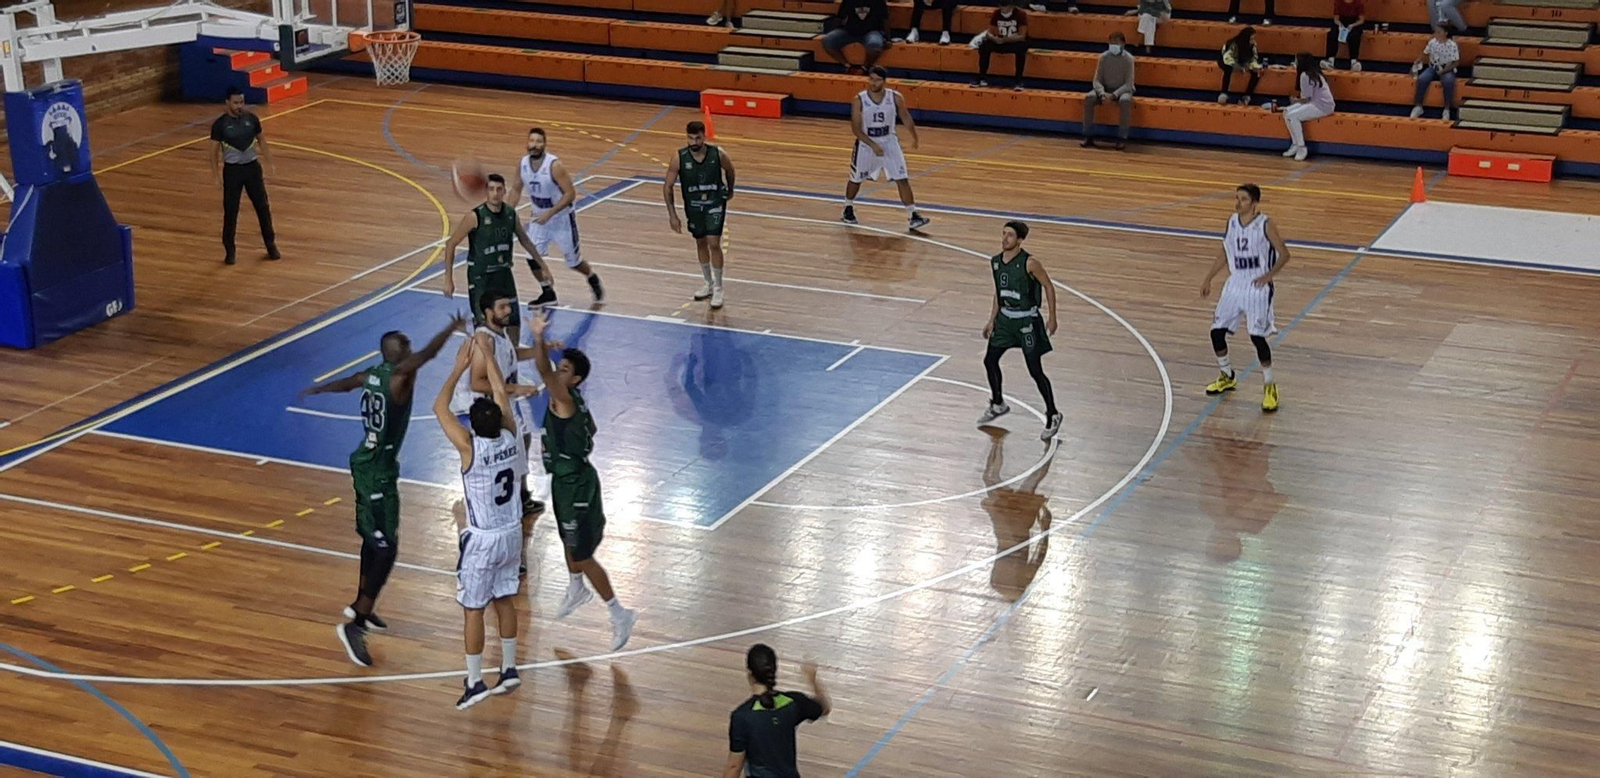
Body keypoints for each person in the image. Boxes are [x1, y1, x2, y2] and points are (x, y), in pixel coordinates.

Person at [301, 315, 466, 667]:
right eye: (406, 347)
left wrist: (319, 389)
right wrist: (450, 328)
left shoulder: (373, 374)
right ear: (399, 355)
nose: (411, 351)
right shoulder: (399, 377)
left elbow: (349, 383)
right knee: (386, 547)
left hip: (373, 465)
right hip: (375, 472)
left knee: (373, 538)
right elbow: (428, 355)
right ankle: (356, 624)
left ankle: (363, 600)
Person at [527, 311, 637, 651]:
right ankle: (576, 587)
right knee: (567, 539)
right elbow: (594, 430)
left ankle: (619, 613)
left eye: (565, 371)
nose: (558, 373)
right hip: (563, 481)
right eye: (560, 368)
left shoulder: (563, 401)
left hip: (576, 485)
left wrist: (538, 338)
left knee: (583, 554)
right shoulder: (571, 403)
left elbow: (544, 370)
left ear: (574, 381)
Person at [433, 337, 526, 710]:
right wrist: (487, 355)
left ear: (471, 424)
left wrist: (459, 365)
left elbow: (439, 407)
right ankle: (509, 668)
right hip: (513, 532)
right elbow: (501, 391)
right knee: (504, 598)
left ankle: (474, 681)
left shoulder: (470, 448)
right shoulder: (511, 435)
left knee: (473, 608)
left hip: (484, 538)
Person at [450, 292, 547, 568]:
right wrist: (517, 389)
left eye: (509, 305)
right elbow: (479, 382)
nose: (508, 310)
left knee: (523, 437)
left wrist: (543, 346)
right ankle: (477, 529)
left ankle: (523, 495)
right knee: (494, 466)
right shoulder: (485, 341)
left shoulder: (498, 336)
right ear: (487, 311)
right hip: (475, 410)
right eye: (502, 306)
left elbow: (511, 354)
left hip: (495, 403)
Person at [1199, 184, 1290, 413]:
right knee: (1216, 332)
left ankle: (1270, 386)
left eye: (1243, 199)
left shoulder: (1265, 225)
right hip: (1235, 283)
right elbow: (1225, 252)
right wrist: (1209, 277)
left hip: (1257, 286)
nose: (1238, 203)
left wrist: (1268, 275)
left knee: (1257, 337)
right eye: (1236, 198)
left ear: (1254, 203)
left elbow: (1284, 254)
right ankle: (1227, 374)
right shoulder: (1231, 222)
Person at [978, 220, 1062, 441]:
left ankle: (1053, 414)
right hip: (1006, 320)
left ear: (1020, 240)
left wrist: (1052, 317)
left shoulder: (1030, 263)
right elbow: (999, 292)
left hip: (1027, 321)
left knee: (1035, 370)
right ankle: (997, 403)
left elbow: (1049, 286)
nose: (1005, 238)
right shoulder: (996, 262)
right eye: (1003, 233)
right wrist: (991, 319)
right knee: (990, 360)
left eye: (1010, 235)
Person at [441, 173, 556, 333]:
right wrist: (448, 279)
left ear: (504, 191)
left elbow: (525, 241)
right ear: (486, 192)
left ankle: (512, 355)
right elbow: (451, 244)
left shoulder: (510, 213)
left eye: (498, 189)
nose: (495, 193)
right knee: (485, 328)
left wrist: (543, 266)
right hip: (481, 278)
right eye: (491, 189)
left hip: (503, 274)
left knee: (514, 323)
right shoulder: (475, 216)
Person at [509, 127, 605, 303]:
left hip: (561, 219)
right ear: (527, 143)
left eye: (538, 141)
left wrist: (550, 213)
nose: (534, 145)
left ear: (544, 144)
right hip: (538, 219)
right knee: (531, 258)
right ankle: (548, 292)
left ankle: (592, 277)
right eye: (532, 141)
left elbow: (570, 194)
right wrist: (507, 212)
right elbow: (516, 189)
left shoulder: (554, 166)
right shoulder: (522, 164)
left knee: (574, 262)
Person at [723, 645, 831, 778]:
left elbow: (734, 767)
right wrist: (813, 680)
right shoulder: (793, 703)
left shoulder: (742, 716)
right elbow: (824, 708)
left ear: (750, 674)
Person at [841, 66, 928, 231]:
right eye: (871, 79)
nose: (873, 83)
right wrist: (873, 145)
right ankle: (848, 206)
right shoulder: (859, 99)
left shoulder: (895, 97)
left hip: (889, 140)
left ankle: (913, 214)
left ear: (884, 81)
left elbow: (906, 117)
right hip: (867, 143)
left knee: (902, 178)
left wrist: (915, 137)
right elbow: (856, 128)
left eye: (877, 80)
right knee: (856, 178)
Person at [663, 120, 737, 309]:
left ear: (704, 136)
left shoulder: (718, 154)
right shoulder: (679, 157)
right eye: (690, 138)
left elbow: (730, 170)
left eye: (698, 137)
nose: (694, 141)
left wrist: (730, 189)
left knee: (714, 243)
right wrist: (672, 214)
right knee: (700, 242)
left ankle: (719, 287)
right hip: (694, 205)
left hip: (714, 202)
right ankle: (708, 283)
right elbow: (668, 186)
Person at [210, 87, 279, 265]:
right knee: (231, 211)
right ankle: (230, 250)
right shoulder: (220, 125)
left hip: (252, 169)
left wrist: (269, 161)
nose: (239, 106)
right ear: (227, 103)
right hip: (233, 171)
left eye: (241, 102)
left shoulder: (252, 119)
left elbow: (262, 140)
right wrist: (216, 175)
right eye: (235, 103)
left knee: (262, 207)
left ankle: (270, 244)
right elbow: (214, 152)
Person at [1083, 33, 1136, 150]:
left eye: (1116, 43)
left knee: (1125, 100)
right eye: (1111, 43)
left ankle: (1122, 137)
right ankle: (1088, 135)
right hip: (1105, 89)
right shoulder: (1103, 57)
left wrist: (1113, 95)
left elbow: (1128, 84)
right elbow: (1096, 80)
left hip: (1122, 90)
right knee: (1089, 98)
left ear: (1123, 43)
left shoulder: (1129, 59)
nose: (1113, 46)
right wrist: (1102, 93)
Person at [1282, 53, 1335, 161]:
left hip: (1322, 106)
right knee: (1286, 112)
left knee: (1293, 116)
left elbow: (1306, 98)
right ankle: (1295, 143)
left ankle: (1302, 147)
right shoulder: (1314, 73)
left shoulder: (1305, 75)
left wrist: (1294, 101)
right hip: (1316, 102)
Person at [822, 0, 890, 72]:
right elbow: (840, 18)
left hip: (872, 31)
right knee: (827, 40)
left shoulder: (878, 1)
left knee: (874, 44)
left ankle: (864, 68)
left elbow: (885, 20)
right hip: (849, 31)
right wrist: (833, 31)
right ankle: (847, 66)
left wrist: (887, 38)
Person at [975, 1, 1029, 90]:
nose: (1004, 9)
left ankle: (1019, 80)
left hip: (1013, 42)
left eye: (1006, 6)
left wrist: (1006, 39)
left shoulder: (1021, 14)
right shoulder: (996, 13)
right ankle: (981, 77)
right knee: (984, 46)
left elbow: (1022, 36)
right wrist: (995, 39)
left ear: (1012, 6)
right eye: (1002, 6)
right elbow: (989, 33)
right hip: (1000, 41)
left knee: (1021, 48)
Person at [1410, 26, 1460, 120]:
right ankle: (1418, 106)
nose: (1436, 34)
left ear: (1445, 33)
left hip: (1447, 68)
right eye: (1436, 32)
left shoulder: (1452, 45)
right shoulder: (1432, 42)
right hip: (1433, 66)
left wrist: (1444, 71)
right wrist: (1418, 61)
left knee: (1448, 82)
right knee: (1422, 79)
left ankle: (1446, 109)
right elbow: (1425, 52)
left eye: (1439, 32)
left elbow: (1456, 62)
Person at [1217, 27, 1266, 106]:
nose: (1253, 41)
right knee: (1227, 69)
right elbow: (1227, 58)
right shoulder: (1233, 44)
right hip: (1226, 60)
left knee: (1256, 73)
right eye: (1251, 39)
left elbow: (1254, 59)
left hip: (1242, 61)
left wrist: (1256, 67)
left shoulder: (1253, 45)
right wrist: (1239, 67)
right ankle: (1224, 93)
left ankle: (1247, 96)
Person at [1321, 0, 1366, 71]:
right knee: (1332, 33)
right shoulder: (1338, 2)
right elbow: (1336, 19)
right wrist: (1340, 25)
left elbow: (1361, 20)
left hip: (1354, 23)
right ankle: (1330, 60)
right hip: (1341, 22)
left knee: (1355, 35)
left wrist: (1352, 25)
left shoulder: (1358, 2)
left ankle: (1353, 61)